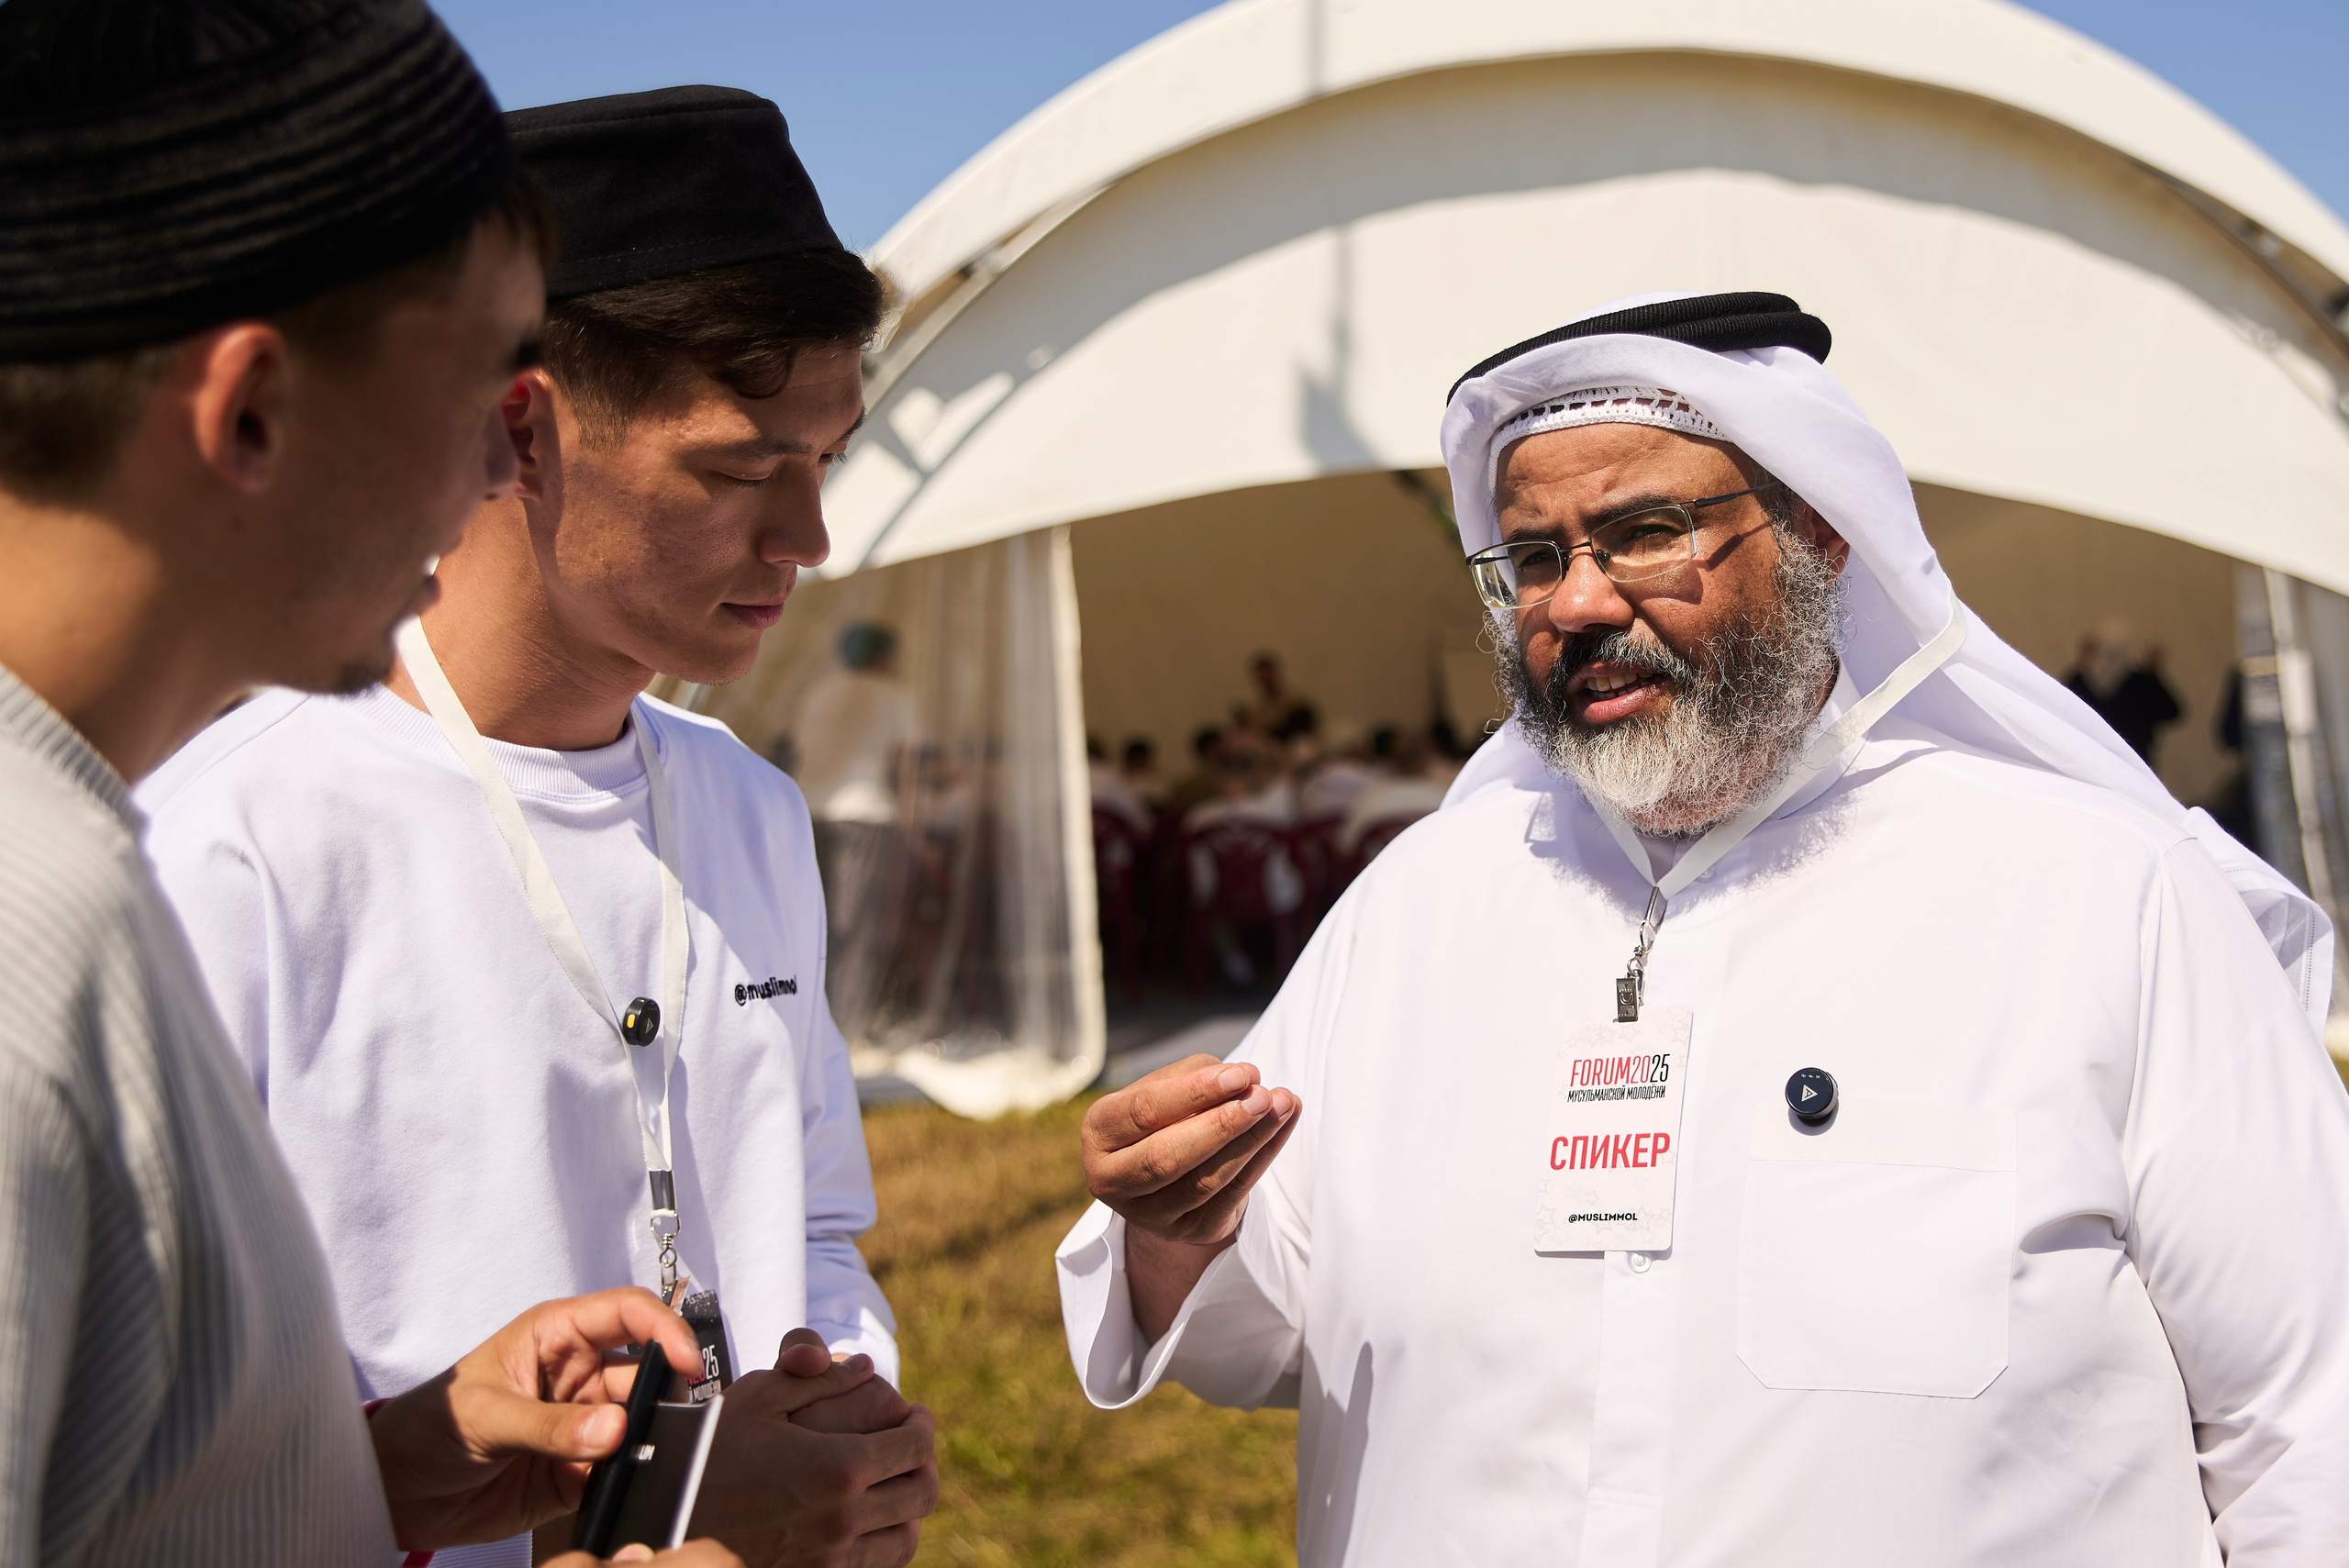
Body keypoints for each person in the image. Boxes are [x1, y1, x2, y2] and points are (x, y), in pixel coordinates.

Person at [1058, 292, 2349, 1564]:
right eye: (1538, 558)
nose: (1577, 604)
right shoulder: (1420, 906)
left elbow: (2311, 1421)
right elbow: (1272, 1335)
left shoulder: (2104, 899)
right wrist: (1178, 1237)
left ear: (1824, 536)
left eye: (1644, 532)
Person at [137, 86, 935, 1566]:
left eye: (826, 462)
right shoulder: (232, 839)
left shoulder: (748, 808)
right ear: (520, 429)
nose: (805, 540)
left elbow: (814, 1216)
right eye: (742, 467)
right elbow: (131, 1445)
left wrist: (841, 1432)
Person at [0, 1, 757, 1562]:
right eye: (479, 385)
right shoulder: (30, 932)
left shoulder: (73, 853)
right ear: (254, 411)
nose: (497, 473)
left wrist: (381, 1471)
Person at [2065, 616, 2182, 763]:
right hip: (2131, 763)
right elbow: (2172, 712)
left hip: (2090, 759)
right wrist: (2153, 675)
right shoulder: (2141, 682)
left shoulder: (2080, 680)